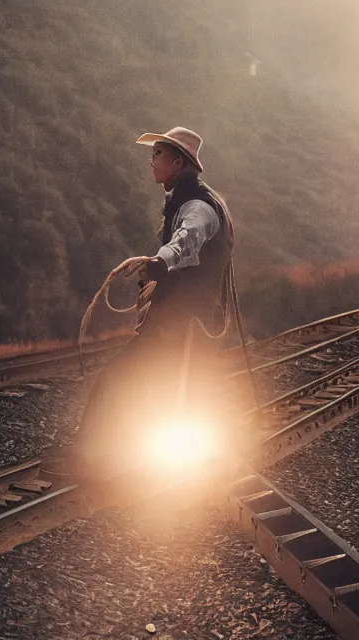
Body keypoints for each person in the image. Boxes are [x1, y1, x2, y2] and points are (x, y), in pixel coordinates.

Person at [75, 127, 235, 477]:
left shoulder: (197, 206)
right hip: (189, 320)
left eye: (157, 155)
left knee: (117, 377)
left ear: (178, 162)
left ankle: (93, 458)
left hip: (180, 321)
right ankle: (138, 459)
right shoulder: (195, 199)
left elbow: (187, 238)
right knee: (166, 385)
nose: (151, 162)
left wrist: (160, 263)